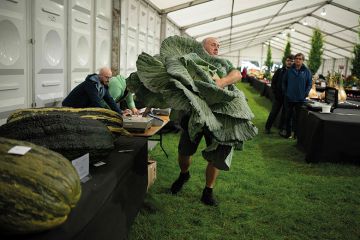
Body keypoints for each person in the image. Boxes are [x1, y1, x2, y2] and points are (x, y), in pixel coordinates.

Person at [170, 37, 242, 206]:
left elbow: (237, 74)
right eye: (213, 45)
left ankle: (208, 191)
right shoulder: (190, 61)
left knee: (216, 154)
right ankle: (184, 174)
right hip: (192, 114)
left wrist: (222, 82)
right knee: (184, 152)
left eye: (218, 45)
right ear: (202, 48)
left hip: (216, 116)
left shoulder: (223, 64)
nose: (217, 48)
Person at [62, 67, 129, 115]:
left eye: (110, 77)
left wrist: (120, 112)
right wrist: (107, 114)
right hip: (69, 108)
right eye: (106, 77)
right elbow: (96, 102)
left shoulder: (103, 85)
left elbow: (110, 100)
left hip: (79, 109)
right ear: (100, 76)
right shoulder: (90, 84)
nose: (109, 80)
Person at [281, 53, 312, 139]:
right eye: (296, 58)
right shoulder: (289, 70)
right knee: (288, 117)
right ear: (294, 60)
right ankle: (288, 133)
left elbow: (309, 84)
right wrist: (285, 92)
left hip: (300, 99)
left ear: (303, 60)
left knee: (298, 118)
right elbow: (284, 82)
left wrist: (305, 93)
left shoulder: (307, 71)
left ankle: (296, 134)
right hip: (289, 98)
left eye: (300, 59)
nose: (298, 60)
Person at [265, 54, 294, 134]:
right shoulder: (279, 71)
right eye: (288, 60)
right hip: (278, 96)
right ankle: (267, 127)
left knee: (285, 114)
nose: (289, 62)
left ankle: (282, 129)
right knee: (274, 112)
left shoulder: (294, 72)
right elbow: (273, 82)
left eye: (291, 61)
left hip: (288, 97)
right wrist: (275, 92)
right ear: (285, 61)